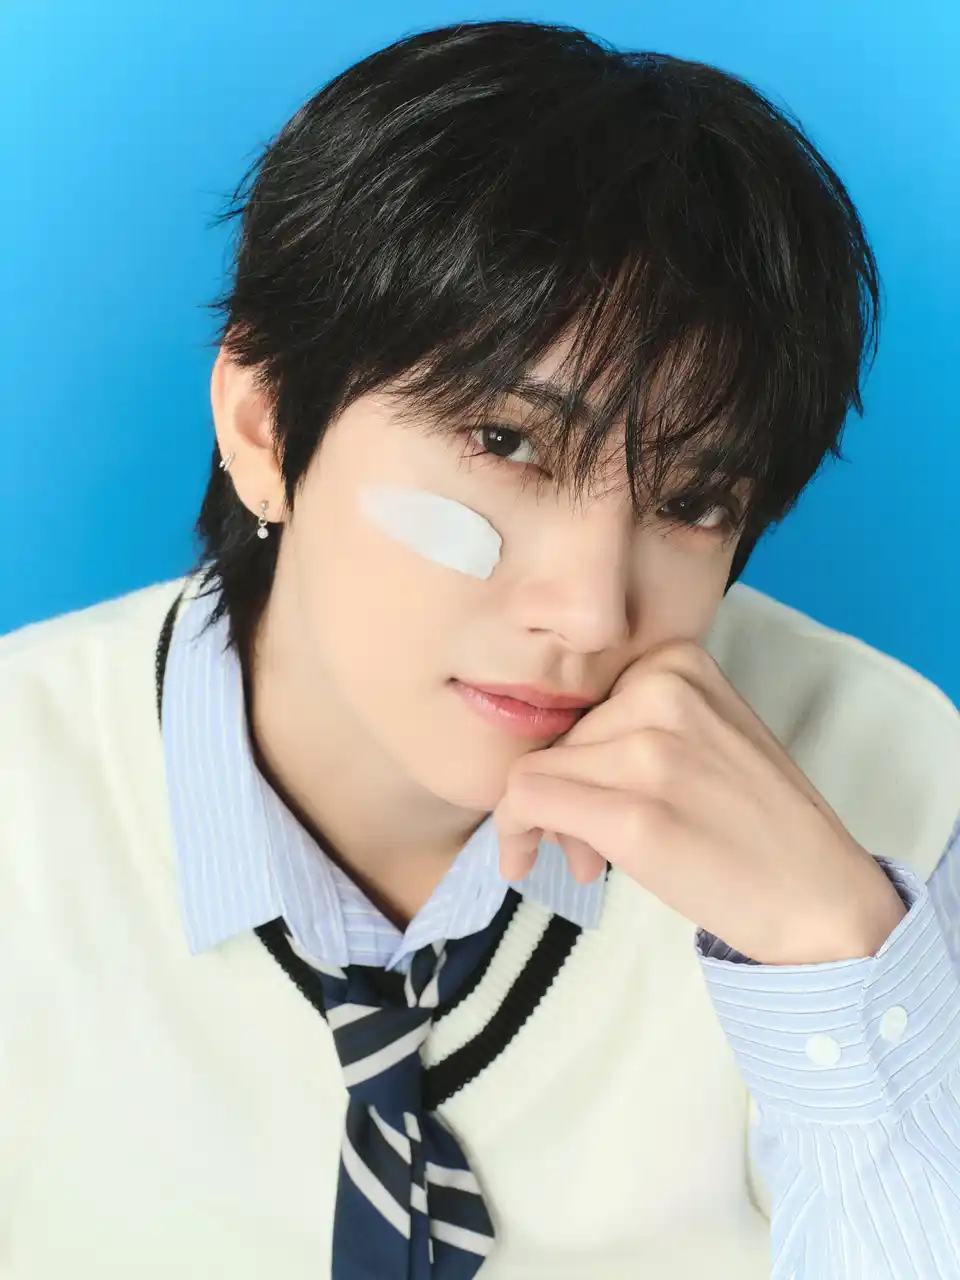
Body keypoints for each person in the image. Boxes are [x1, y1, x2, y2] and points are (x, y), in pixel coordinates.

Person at [2, 17, 959, 1280]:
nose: (592, 613)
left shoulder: (900, 782)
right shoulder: (24, 783)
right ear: (263, 427)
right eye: (504, 443)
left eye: (691, 499)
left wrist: (837, 957)